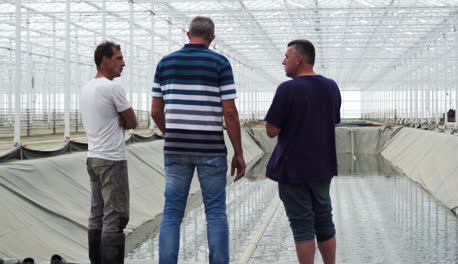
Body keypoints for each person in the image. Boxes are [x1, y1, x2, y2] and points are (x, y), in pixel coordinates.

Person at [151, 16, 246, 264]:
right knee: (215, 213)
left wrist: (169, 132)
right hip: (211, 149)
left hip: (175, 148)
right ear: (211, 38)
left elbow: (155, 111)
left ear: (187, 33)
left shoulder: (166, 63)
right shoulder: (219, 63)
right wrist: (238, 152)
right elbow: (230, 113)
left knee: (172, 213)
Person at [264, 39, 341, 264]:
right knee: (324, 220)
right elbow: (333, 119)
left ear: (298, 59)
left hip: (293, 168)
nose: (283, 62)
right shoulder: (331, 86)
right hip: (322, 165)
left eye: (286, 57)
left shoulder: (287, 89)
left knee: (302, 225)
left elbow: (271, 130)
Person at [80, 41, 137, 264]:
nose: (123, 63)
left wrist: (118, 118)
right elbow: (132, 121)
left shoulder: (87, 88)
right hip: (112, 159)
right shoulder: (111, 88)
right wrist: (120, 119)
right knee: (116, 217)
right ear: (105, 59)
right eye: (119, 58)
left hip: (93, 157)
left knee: (97, 215)